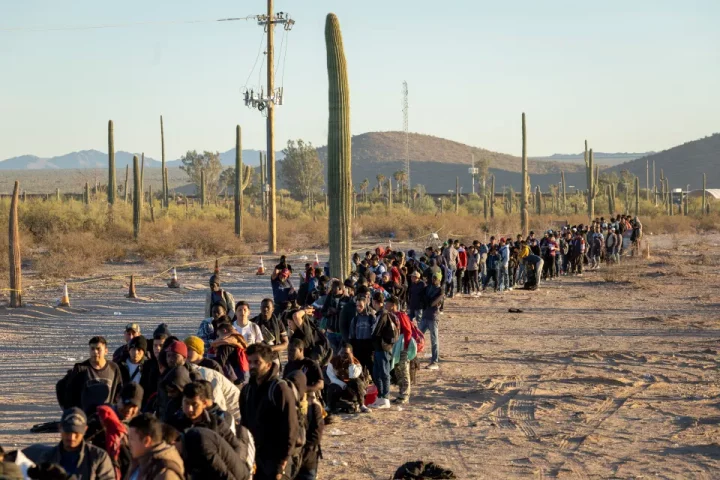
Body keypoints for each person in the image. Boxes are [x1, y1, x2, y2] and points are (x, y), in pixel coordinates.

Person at [240, 344, 299, 480]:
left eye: (257, 362)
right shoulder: (246, 391)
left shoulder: (279, 389)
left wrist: (282, 462)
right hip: (255, 457)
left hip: (277, 459)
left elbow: (291, 427)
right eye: (250, 362)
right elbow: (244, 425)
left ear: (268, 364)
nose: (252, 366)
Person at [40, 408, 115, 480]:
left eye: (76, 433)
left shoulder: (98, 457)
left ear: (85, 430)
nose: (71, 437)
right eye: (68, 432)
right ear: (60, 428)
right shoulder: (48, 457)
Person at [166, 382, 241, 454]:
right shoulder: (173, 423)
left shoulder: (217, 423)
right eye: (186, 403)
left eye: (194, 404)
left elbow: (236, 446)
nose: (189, 409)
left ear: (204, 403)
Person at [58, 337, 123, 411]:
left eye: (98, 349)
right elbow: (69, 395)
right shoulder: (81, 369)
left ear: (106, 351)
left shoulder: (113, 368)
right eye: (92, 349)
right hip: (86, 418)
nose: (95, 352)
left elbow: (119, 392)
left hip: (106, 416)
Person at [127, 413, 184, 480]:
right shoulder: (139, 462)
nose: (129, 443)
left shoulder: (165, 474)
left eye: (131, 439)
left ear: (146, 441)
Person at [326, 343, 368, 414]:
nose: (343, 355)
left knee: (357, 382)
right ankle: (329, 406)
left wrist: (351, 362)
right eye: (341, 352)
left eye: (346, 353)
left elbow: (353, 376)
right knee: (331, 386)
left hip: (352, 389)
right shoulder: (334, 361)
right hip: (340, 385)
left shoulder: (356, 363)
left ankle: (362, 405)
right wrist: (342, 384)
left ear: (351, 354)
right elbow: (331, 376)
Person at [369, 292, 395, 409]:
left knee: (384, 373)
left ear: (375, 302)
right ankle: (380, 397)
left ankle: (385, 398)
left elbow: (376, 332)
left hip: (383, 348)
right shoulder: (380, 314)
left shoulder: (383, 314)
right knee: (377, 373)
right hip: (379, 348)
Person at [385, 296, 413, 404]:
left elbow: (408, 332)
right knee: (398, 371)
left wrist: (405, 347)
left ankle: (405, 395)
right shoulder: (391, 316)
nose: (386, 305)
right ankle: (401, 394)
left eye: (387, 303)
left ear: (393, 305)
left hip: (402, 348)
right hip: (395, 348)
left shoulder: (401, 316)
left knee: (404, 371)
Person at [251, 298, 289, 367]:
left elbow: (285, 343)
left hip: (273, 357)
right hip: (257, 357)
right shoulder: (253, 322)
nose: (265, 309)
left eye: (268, 307)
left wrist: (271, 348)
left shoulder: (278, 323)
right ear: (260, 308)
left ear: (273, 309)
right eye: (263, 307)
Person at [420, 272, 443, 370]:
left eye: (435, 278)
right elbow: (422, 298)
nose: (433, 280)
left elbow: (434, 303)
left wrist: (428, 301)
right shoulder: (428, 287)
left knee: (434, 341)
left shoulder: (440, 290)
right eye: (433, 278)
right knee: (417, 337)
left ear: (439, 279)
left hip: (433, 318)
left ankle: (435, 361)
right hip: (425, 316)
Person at [348, 295, 377, 372]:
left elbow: (376, 333)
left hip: (369, 346)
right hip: (358, 345)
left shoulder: (372, 318)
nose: (358, 308)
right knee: (359, 369)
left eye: (361, 306)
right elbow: (352, 335)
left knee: (371, 368)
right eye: (357, 306)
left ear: (365, 305)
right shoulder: (355, 319)